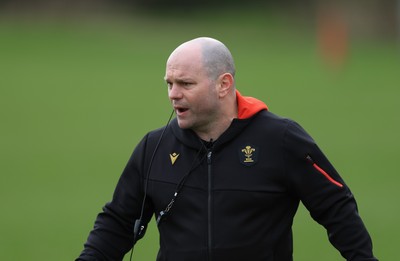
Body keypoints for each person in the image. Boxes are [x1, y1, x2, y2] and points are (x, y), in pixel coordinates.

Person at [76, 37, 378, 261]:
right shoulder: (154, 147)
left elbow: (336, 206)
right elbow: (117, 222)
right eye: (169, 83)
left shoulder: (281, 140)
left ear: (223, 84)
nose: (173, 94)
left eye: (185, 83)